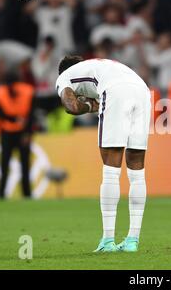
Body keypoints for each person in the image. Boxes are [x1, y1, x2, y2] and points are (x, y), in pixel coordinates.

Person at [55, 56, 151, 252]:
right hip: (142, 90)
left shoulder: (64, 76)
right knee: (137, 172)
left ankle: (108, 241)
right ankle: (133, 240)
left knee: (111, 169)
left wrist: (90, 105)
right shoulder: (98, 66)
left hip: (115, 90)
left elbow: (71, 106)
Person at [0, 73, 35, 199]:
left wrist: (27, 133)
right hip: (8, 132)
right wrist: (16, 119)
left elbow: (31, 114)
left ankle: (26, 194)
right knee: (5, 165)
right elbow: (0, 114)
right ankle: (1, 194)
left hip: (20, 132)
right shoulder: (1, 93)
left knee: (23, 165)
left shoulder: (27, 91)